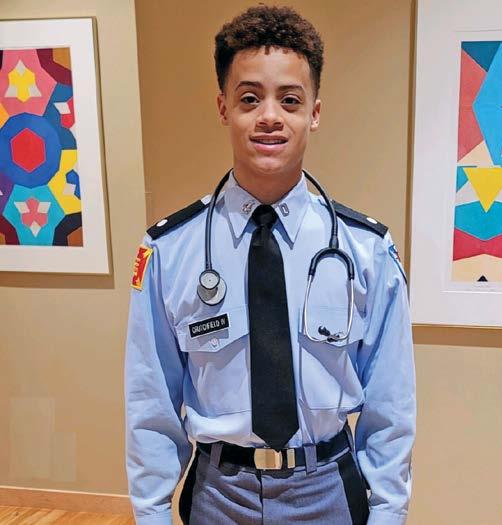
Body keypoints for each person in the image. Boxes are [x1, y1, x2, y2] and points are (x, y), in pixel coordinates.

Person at [124, 5, 416, 525]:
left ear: (314, 113)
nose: (269, 117)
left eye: (290, 100)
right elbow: (151, 404)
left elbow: (390, 407)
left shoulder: (366, 250)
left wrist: (389, 513)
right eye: (249, 98)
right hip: (218, 494)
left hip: (328, 490)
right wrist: (150, 514)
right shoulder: (170, 250)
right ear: (223, 107)